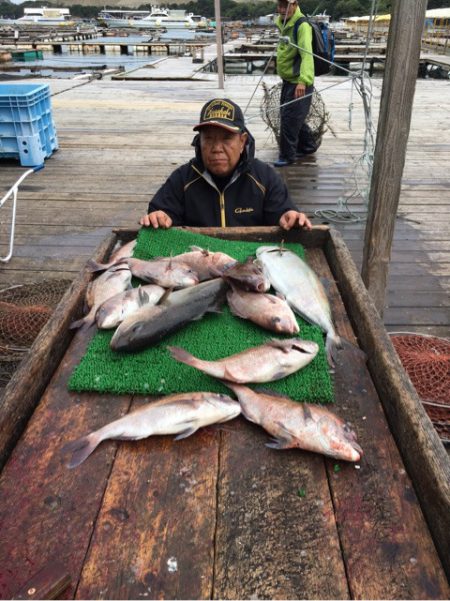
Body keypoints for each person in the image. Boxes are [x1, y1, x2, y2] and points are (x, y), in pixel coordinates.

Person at [140, 98, 312, 231]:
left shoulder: (265, 177)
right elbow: (162, 210)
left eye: (226, 138)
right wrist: (159, 216)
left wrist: (289, 216)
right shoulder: (182, 179)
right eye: (208, 139)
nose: (216, 148)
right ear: (199, 141)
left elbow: (283, 212)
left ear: (242, 141)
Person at [274, 0, 316, 168]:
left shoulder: (301, 25)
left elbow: (307, 55)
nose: (282, 9)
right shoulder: (285, 24)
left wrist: (303, 81)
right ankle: (308, 146)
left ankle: (287, 156)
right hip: (288, 81)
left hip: (299, 82)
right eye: (280, 5)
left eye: (286, 6)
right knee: (294, 116)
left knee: (289, 119)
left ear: (295, 4)